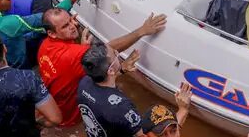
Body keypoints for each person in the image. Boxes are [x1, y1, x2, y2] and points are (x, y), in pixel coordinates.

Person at [38, 7, 166, 128]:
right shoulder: (73, 54)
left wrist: (83, 48)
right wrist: (142, 31)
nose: (73, 26)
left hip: (51, 111)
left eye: (71, 20)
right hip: (71, 121)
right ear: (51, 33)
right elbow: (108, 49)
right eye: (65, 26)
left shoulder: (44, 46)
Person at [79, 43, 192, 137]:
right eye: (115, 54)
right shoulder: (121, 107)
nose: (117, 53)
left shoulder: (85, 83)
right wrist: (183, 109)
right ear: (109, 71)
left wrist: (120, 70)